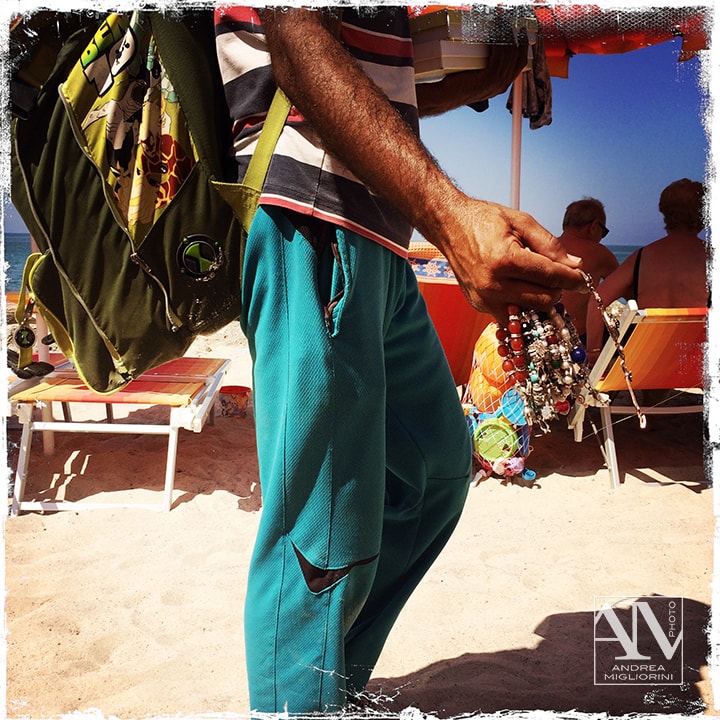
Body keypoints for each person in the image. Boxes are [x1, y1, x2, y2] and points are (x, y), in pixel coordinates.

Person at [214, 7, 586, 713]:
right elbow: (298, 45)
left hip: (378, 231)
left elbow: (361, 83)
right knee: (321, 542)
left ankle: (322, 689)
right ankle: (301, 699)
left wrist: (491, 69)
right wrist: (451, 217)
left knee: (436, 472)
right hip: (308, 209)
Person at [585, 178, 708, 364]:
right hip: (699, 364)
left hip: (649, 363)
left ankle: (652, 394)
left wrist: (594, 356)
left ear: (665, 213)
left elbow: (597, 301)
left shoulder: (642, 257)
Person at [556, 198, 619, 340]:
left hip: (547, 339)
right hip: (580, 340)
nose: (602, 238)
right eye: (604, 232)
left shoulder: (545, 249)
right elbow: (630, 291)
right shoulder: (599, 253)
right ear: (594, 226)